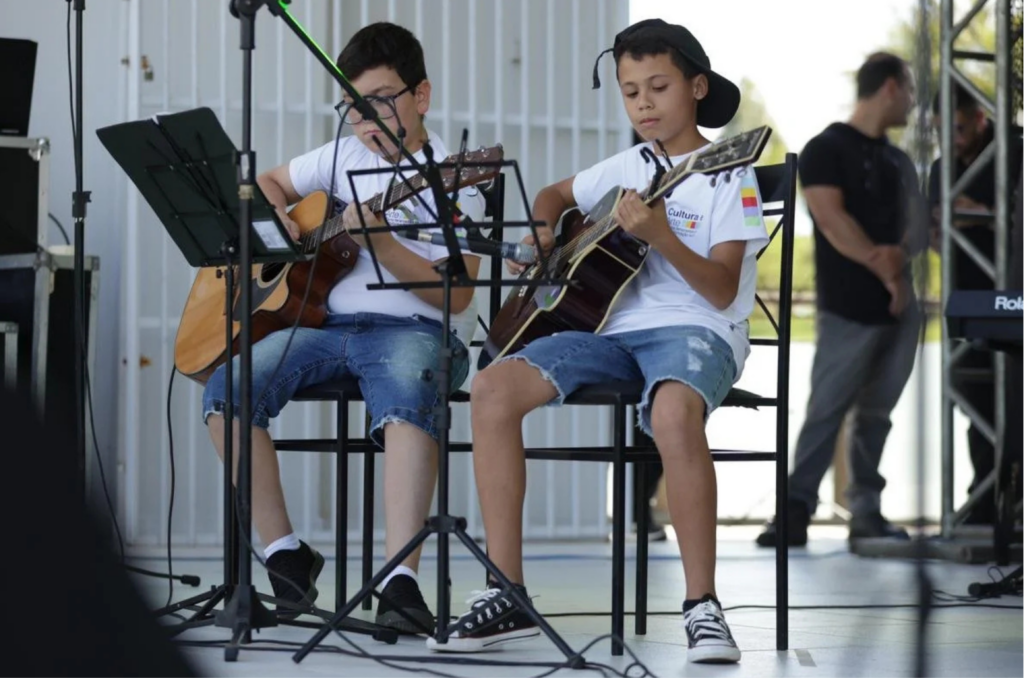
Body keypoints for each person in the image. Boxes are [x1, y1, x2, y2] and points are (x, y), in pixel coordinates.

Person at [431, 19, 766, 664]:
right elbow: (556, 194)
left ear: (697, 87)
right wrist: (547, 233)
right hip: (610, 330)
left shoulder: (730, 175)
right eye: (629, 90)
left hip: (699, 330)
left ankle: (703, 606)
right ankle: (508, 593)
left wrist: (663, 235)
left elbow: (723, 290)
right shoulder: (627, 166)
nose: (643, 103)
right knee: (492, 387)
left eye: (658, 87)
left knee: (672, 412)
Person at [200, 22, 484, 632]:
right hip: (326, 325)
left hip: (416, 330)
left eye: (381, 103)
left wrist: (382, 245)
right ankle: (285, 558)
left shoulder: (457, 179)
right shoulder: (342, 155)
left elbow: (457, 293)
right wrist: (282, 226)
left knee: (408, 390)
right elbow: (270, 183)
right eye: (353, 111)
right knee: (226, 389)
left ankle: (400, 583)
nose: (366, 124)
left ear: (421, 96)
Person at [757, 52, 924, 548]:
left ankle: (866, 511)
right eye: (910, 91)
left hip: (900, 312)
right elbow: (831, 221)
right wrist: (886, 269)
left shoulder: (899, 159)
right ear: (890, 87)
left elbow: (917, 229)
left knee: (878, 415)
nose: (913, 103)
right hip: (848, 308)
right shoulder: (825, 148)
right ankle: (793, 513)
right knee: (826, 409)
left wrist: (899, 269)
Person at [927, 85, 1024, 524]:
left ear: (980, 118)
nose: (952, 140)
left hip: (1013, 291)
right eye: (943, 132)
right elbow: (934, 229)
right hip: (966, 298)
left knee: (1015, 394)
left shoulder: (1015, 152)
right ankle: (986, 499)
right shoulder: (941, 168)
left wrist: (979, 212)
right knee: (971, 393)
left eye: (960, 129)